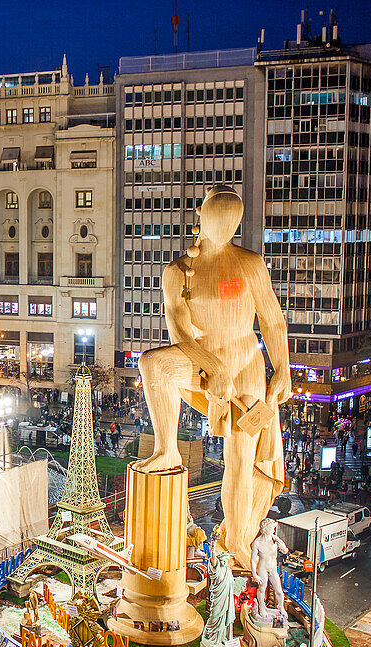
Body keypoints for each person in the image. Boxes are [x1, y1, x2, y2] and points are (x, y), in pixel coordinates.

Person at [133, 185, 290, 567]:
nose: (224, 227)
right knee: (153, 363)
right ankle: (166, 447)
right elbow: (179, 330)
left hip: (247, 364)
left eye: (231, 222)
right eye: (216, 218)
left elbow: (272, 321)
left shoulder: (250, 263)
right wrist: (211, 366)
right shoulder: (178, 272)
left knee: (241, 457)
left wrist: (283, 368)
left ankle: (236, 536)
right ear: (200, 216)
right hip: (202, 361)